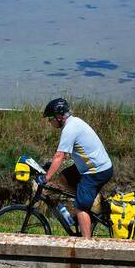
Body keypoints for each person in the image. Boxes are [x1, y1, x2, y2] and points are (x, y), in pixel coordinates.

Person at [42, 97, 113, 238]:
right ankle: (86, 203)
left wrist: (46, 177)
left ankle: (86, 246)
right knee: (63, 178)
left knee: (80, 208)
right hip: (91, 166)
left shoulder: (70, 128)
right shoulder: (74, 122)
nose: (49, 121)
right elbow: (67, 155)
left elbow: (60, 156)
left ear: (59, 116)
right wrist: (52, 167)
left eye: (50, 118)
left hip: (96, 171)